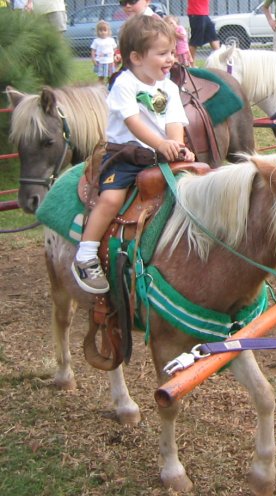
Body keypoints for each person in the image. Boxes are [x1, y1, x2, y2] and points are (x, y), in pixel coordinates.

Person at [72, 15, 195, 294]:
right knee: (111, 198)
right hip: (126, 156)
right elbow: (133, 122)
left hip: (161, 156)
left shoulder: (170, 87)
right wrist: (162, 144)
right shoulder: (124, 84)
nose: (171, 59)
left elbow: (175, 120)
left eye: (172, 53)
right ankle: (86, 254)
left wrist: (176, 146)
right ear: (137, 57)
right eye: (163, 53)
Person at [91, 20, 117, 85]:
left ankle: (109, 88)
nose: (102, 32)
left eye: (104, 30)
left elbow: (115, 49)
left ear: (108, 31)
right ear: (97, 31)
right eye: (100, 30)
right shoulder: (96, 41)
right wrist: (93, 59)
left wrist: (114, 57)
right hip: (100, 62)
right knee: (101, 77)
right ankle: (99, 88)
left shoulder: (111, 40)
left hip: (110, 62)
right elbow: (93, 51)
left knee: (110, 77)